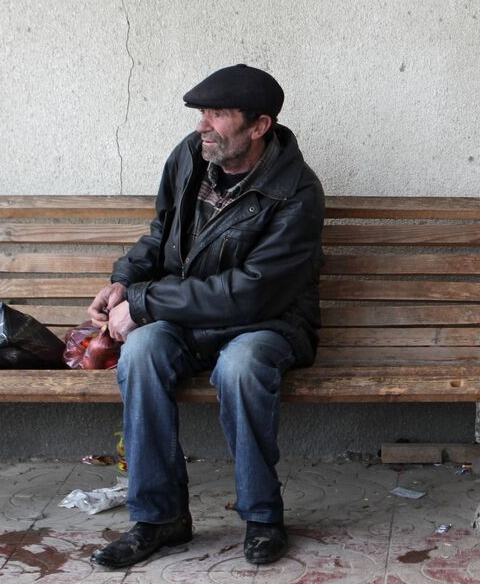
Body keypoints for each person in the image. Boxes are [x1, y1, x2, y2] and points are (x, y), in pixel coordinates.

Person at [87, 64, 325, 569]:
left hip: (268, 323)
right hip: (189, 317)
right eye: (201, 114)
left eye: (217, 115)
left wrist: (145, 302)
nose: (202, 126)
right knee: (142, 351)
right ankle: (159, 518)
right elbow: (161, 233)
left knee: (241, 366)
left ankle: (263, 517)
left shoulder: (297, 191)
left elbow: (250, 294)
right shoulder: (189, 158)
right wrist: (124, 281)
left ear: (259, 127)